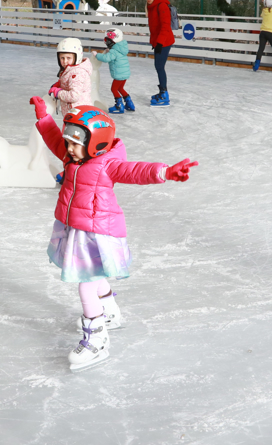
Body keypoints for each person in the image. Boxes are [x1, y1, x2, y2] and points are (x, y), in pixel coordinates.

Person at [29, 97, 198, 370]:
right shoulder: (75, 153)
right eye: (69, 142)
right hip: (79, 227)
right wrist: (44, 118)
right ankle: (109, 312)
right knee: (94, 276)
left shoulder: (108, 164)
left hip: (97, 231)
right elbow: (54, 141)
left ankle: (97, 340)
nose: (68, 149)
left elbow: (135, 170)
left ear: (95, 143)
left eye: (74, 144)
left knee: (86, 281)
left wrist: (165, 171)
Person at [144, 0, 176, 106]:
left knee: (159, 66)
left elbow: (165, 26)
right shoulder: (151, 6)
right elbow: (154, 27)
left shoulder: (161, 5)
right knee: (158, 66)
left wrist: (159, 43)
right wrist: (154, 42)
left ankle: (164, 94)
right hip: (158, 42)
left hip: (164, 41)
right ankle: (162, 91)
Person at [49, 37, 94, 114]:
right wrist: (60, 84)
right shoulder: (71, 70)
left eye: (68, 58)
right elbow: (70, 82)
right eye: (62, 58)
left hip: (79, 114)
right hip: (72, 112)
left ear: (77, 57)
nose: (65, 61)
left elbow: (74, 96)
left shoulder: (77, 73)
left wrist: (58, 93)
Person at [95, 28, 134, 115]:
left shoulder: (114, 51)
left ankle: (119, 106)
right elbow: (114, 54)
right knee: (120, 88)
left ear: (111, 41)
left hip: (119, 75)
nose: (105, 42)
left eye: (106, 40)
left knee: (114, 89)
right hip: (125, 73)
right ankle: (129, 104)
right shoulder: (120, 48)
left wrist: (97, 55)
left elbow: (106, 58)